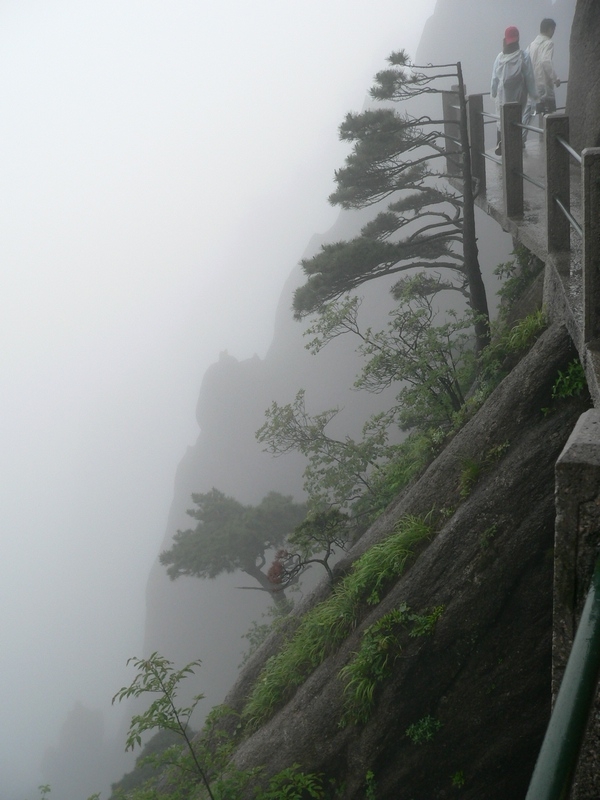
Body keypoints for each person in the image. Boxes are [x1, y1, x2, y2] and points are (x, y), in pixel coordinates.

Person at [490, 26, 537, 155]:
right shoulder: (523, 56)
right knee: (516, 121)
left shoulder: (499, 58)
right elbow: (530, 78)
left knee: (501, 120)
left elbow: (494, 78)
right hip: (518, 97)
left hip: (502, 96)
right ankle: (514, 148)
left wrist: (493, 93)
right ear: (518, 39)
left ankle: (501, 142)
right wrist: (534, 96)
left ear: (505, 40)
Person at [522, 19, 561, 140]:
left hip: (531, 85)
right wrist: (555, 78)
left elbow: (525, 63)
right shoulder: (548, 43)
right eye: (553, 29)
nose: (553, 32)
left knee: (527, 114)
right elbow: (545, 61)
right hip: (543, 85)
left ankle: (520, 139)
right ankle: (549, 142)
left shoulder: (531, 44)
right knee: (547, 114)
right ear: (549, 29)